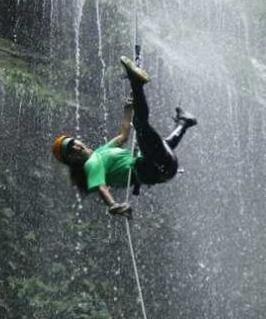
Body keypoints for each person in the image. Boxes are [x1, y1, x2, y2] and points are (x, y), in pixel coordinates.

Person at [52, 56, 197, 217]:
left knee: (159, 143)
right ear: (71, 160)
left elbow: (123, 136)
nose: (75, 147)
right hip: (154, 169)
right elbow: (101, 187)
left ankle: (184, 122)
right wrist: (114, 205)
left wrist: (127, 111)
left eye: (72, 142)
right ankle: (137, 83)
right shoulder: (92, 164)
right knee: (142, 127)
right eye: (70, 150)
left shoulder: (100, 152)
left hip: (161, 165)